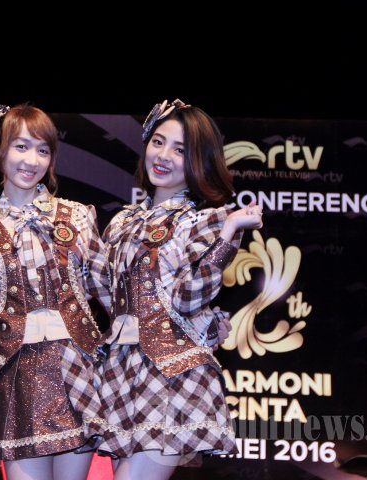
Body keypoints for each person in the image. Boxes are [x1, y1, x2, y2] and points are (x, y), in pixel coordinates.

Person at [92, 99, 264, 480]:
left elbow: (187, 298)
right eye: (158, 142)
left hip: (169, 372)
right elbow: (105, 294)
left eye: (180, 150)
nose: (163, 156)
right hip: (119, 370)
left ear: (198, 161)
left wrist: (228, 234)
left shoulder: (205, 222)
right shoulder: (121, 222)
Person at [0, 104, 112, 480]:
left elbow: (110, 290)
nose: (31, 161)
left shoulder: (76, 217)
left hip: (74, 368)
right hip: (14, 376)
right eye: (21, 147)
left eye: (42, 150)